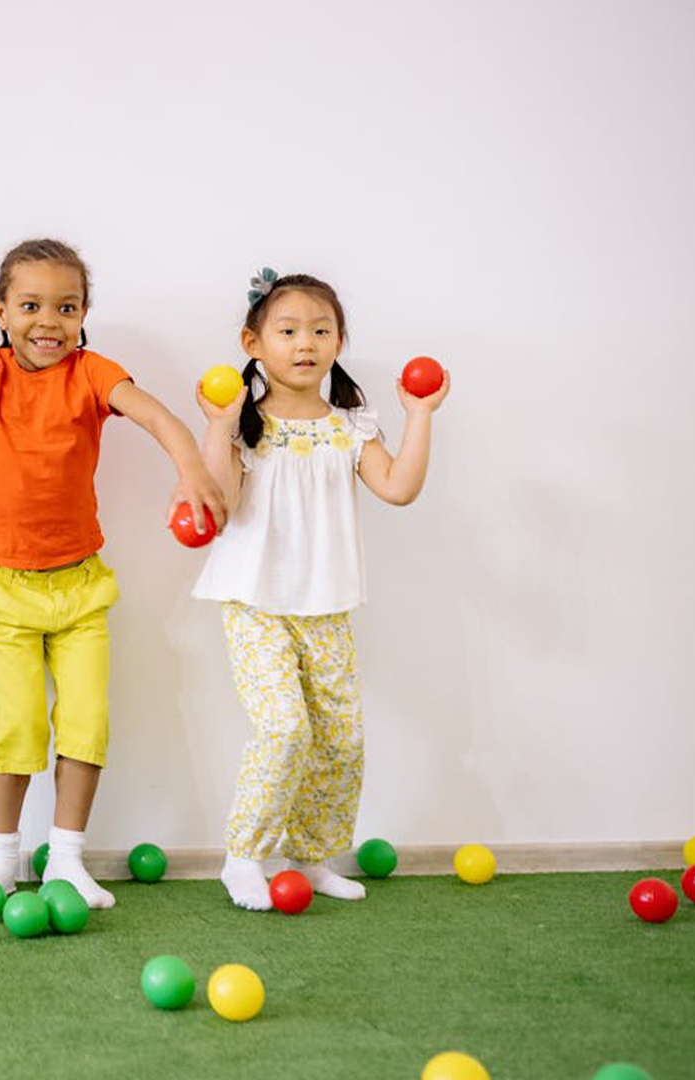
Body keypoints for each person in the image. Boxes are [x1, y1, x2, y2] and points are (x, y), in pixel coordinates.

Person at [0, 239, 225, 909]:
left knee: (88, 720)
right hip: (3, 585)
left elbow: (155, 414)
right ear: (1, 311)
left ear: (84, 313)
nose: (49, 321)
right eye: (31, 305)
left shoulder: (93, 373)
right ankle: (2, 860)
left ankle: (66, 858)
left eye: (66, 307)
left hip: (80, 586)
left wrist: (190, 469)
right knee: (17, 726)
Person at [192, 269, 448, 910]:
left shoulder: (351, 427)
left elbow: (398, 487)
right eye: (287, 330)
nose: (304, 342)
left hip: (326, 604)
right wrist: (219, 425)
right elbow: (219, 501)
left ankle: (308, 857)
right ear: (252, 342)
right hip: (255, 603)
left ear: (339, 340)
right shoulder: (248, 425)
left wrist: (419, 414)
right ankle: (244, 856)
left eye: (320, 330)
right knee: (283, 730)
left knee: (340, 738)